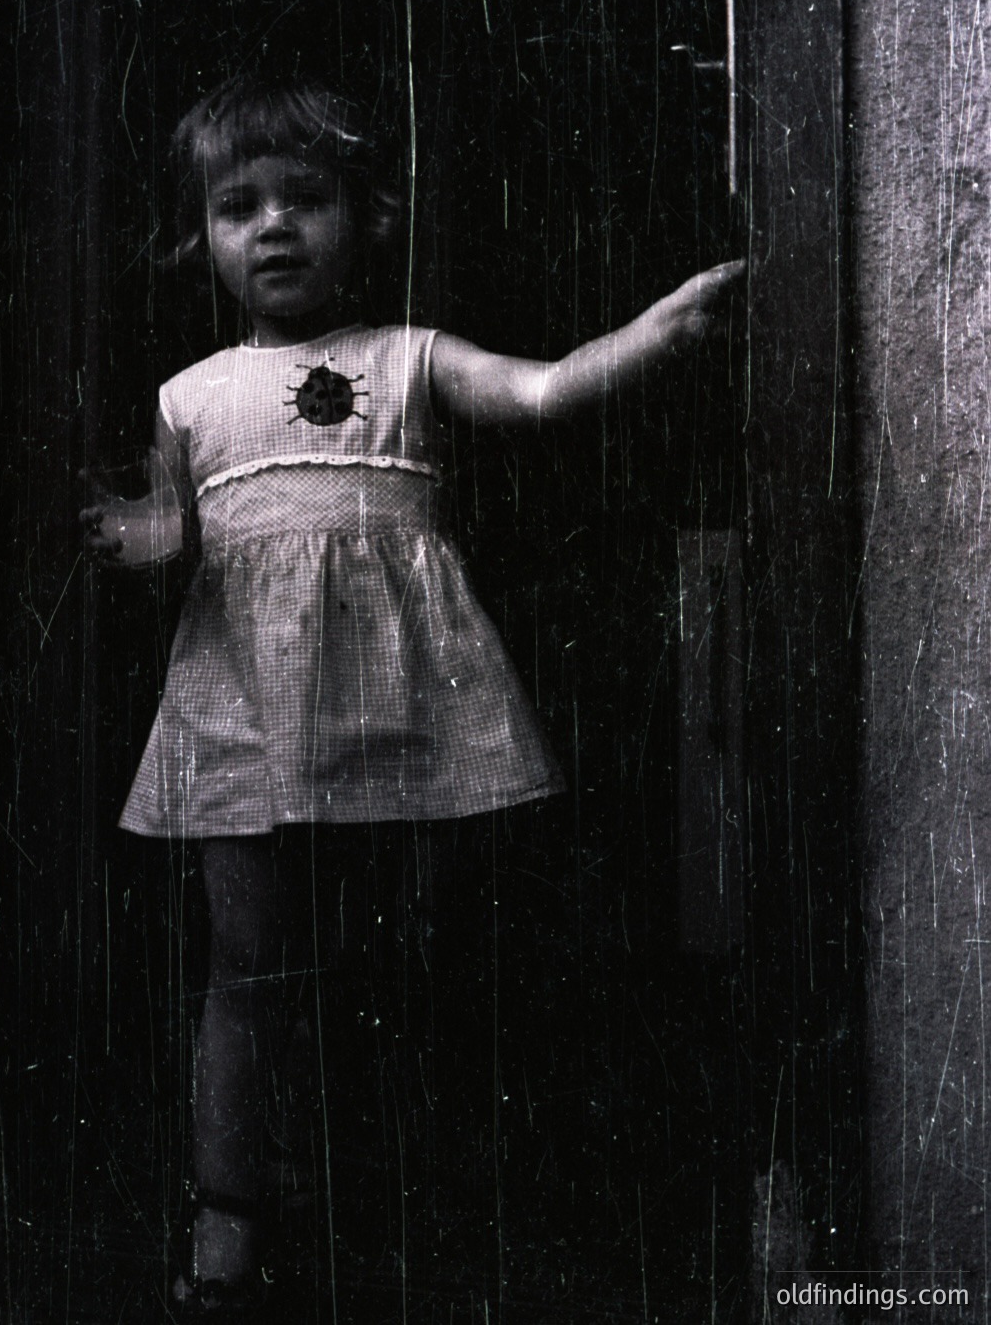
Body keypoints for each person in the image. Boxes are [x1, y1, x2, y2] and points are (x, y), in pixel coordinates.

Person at [83, 76, 743, 1318]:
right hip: (241, 715)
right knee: (246, 966)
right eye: (240, 206)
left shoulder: (410, 358)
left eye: (307, 199)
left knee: (413, 957)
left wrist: (651, 337)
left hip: (403, 711)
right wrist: (130, 533)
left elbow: (543, 391)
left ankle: (407, 1191)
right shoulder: (188, 394)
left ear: (364, 217)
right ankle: (228, 1211)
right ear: (202, 237)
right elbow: (172, 534)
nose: (275, 226)